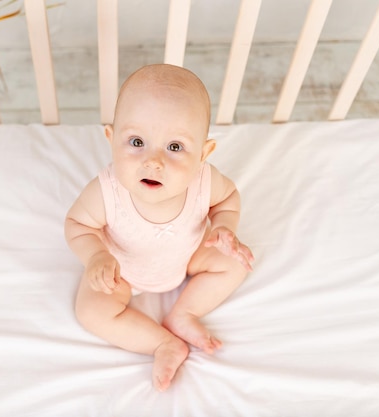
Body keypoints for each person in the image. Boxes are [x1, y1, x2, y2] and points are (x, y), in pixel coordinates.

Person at [64, 63, 254, 392]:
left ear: (203, 153)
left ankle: (184, 314)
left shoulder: (206, 181)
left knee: (237, 262)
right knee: (91, 310)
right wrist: (96, 256)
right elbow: (77, 224)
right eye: (136, 141)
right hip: (120, 272)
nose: (153, 161)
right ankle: (162, 344)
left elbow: (228, 199)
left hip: (189, 256)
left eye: (175, 147)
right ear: (111, 138)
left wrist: (224, 228)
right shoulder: (107, 190)